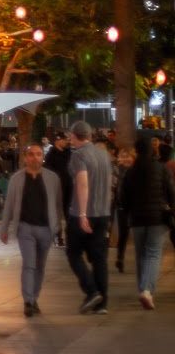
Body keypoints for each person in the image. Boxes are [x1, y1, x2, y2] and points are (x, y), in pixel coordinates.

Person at [0, 144, 63, 317]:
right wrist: (4, 228)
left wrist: (58, 227)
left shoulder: (52, 178)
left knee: (40, 267)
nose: (35, 157)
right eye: (31, 154)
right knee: (29, 264)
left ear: (42, 156)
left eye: (38, 154)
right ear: (25, 157)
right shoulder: (17, 179)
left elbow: (57, 204)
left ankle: (34, 298)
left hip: (46, 229)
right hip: (25, 228)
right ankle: (28, 301)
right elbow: (9, 205)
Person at [121, 137, 175, 310]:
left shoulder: (130, 172)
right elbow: (171, 191)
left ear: (136, 151)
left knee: (140, 255)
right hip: (157, 218)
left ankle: (143, 289)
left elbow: (124, 197)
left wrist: (128, 214)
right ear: (152, 151)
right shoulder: (161, 169)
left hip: (137, 219)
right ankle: (146, 290)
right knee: (153, 253)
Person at [65, 120, 112, 315]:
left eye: (71, 136)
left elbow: (82, 183)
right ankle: (102, 303)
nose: (70, 140)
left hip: (82, 213)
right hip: (103, 212)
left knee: (73, 253)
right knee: (99, 258)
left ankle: (91, 291)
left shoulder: (79, 156)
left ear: (75, 136)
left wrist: (83, 213)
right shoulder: (104, 155)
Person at [43, 131, 72, 246]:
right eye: (64, 139)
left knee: (68, 212)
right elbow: (47, 171)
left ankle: (70, 236)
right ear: (58, 140)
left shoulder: (69, 152)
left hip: (69, 186)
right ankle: (58, 236)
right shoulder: (51, 155)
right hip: (56, 188)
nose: (66, 141)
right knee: (57, 213)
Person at [114, 146, 134, 273]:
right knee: (123, 233)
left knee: (137, 234)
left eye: (128, 156)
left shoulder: (136, 170)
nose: (126, 159)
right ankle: (120, 257)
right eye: (123, 156)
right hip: (122, 206)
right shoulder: (116, 170)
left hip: (135, 206)